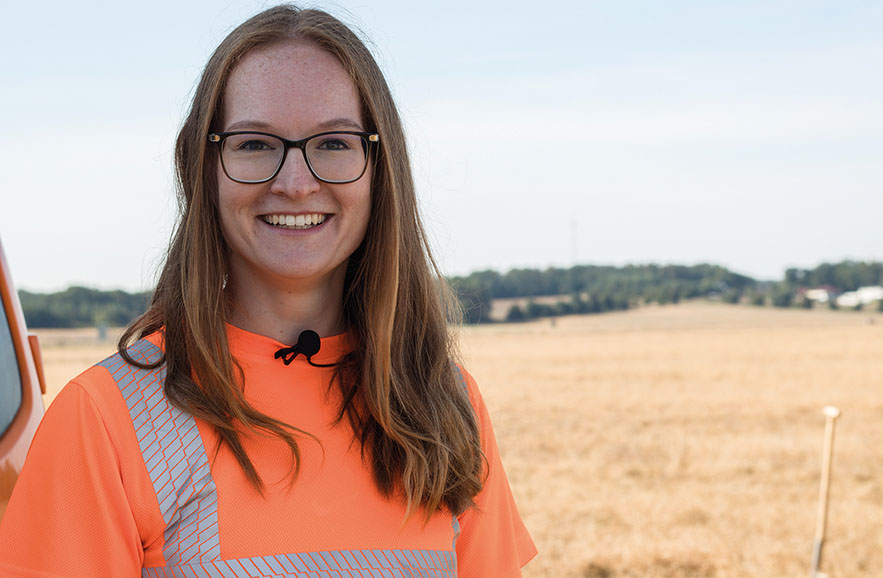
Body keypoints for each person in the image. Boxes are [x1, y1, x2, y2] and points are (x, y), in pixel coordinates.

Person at [0, 5, 536, 577]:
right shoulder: (105, 421)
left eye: (333, 143)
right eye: (255, 145)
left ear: (379, 167)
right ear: (204, 168)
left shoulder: (444, 402)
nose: (297, 183)